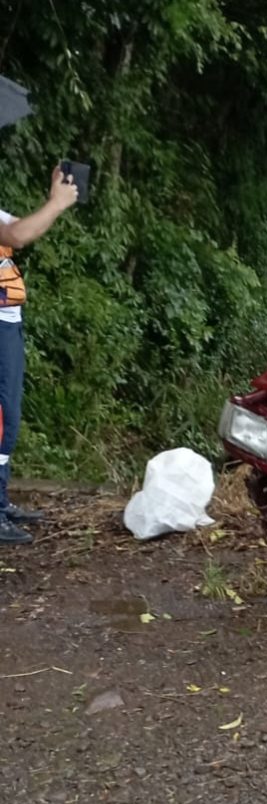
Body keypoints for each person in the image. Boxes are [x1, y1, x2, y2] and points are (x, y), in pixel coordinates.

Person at [0, 165, 78, 544]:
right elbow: (18, 234)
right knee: (2, 419)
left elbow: (21, 227)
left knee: (7, 417)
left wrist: (53, 200)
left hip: (7, 323)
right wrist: (57, 202)